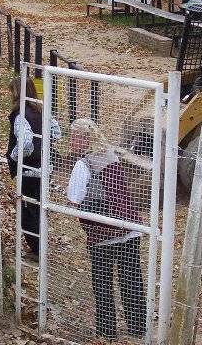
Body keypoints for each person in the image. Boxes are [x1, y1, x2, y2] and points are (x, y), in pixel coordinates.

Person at [66, 118, 146, 340]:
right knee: (131, 279)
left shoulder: (84, 164)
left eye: (74, 136)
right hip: (129, 227)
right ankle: (138, 327)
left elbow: (75, 197)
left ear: (84, 139)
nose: (71, 141)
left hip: (103, 232)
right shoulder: (111, 155)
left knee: (102, 282)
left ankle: (107, 331)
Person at [6, 76, 61, 256]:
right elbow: (56, 133)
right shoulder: (42, 110)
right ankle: (40, 245)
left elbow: (26, 143)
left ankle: (37, 249)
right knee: (39, 208)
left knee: (27, 211)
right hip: (44, 167)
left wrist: (14, 157)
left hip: (28, 170)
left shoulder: (20, 115)